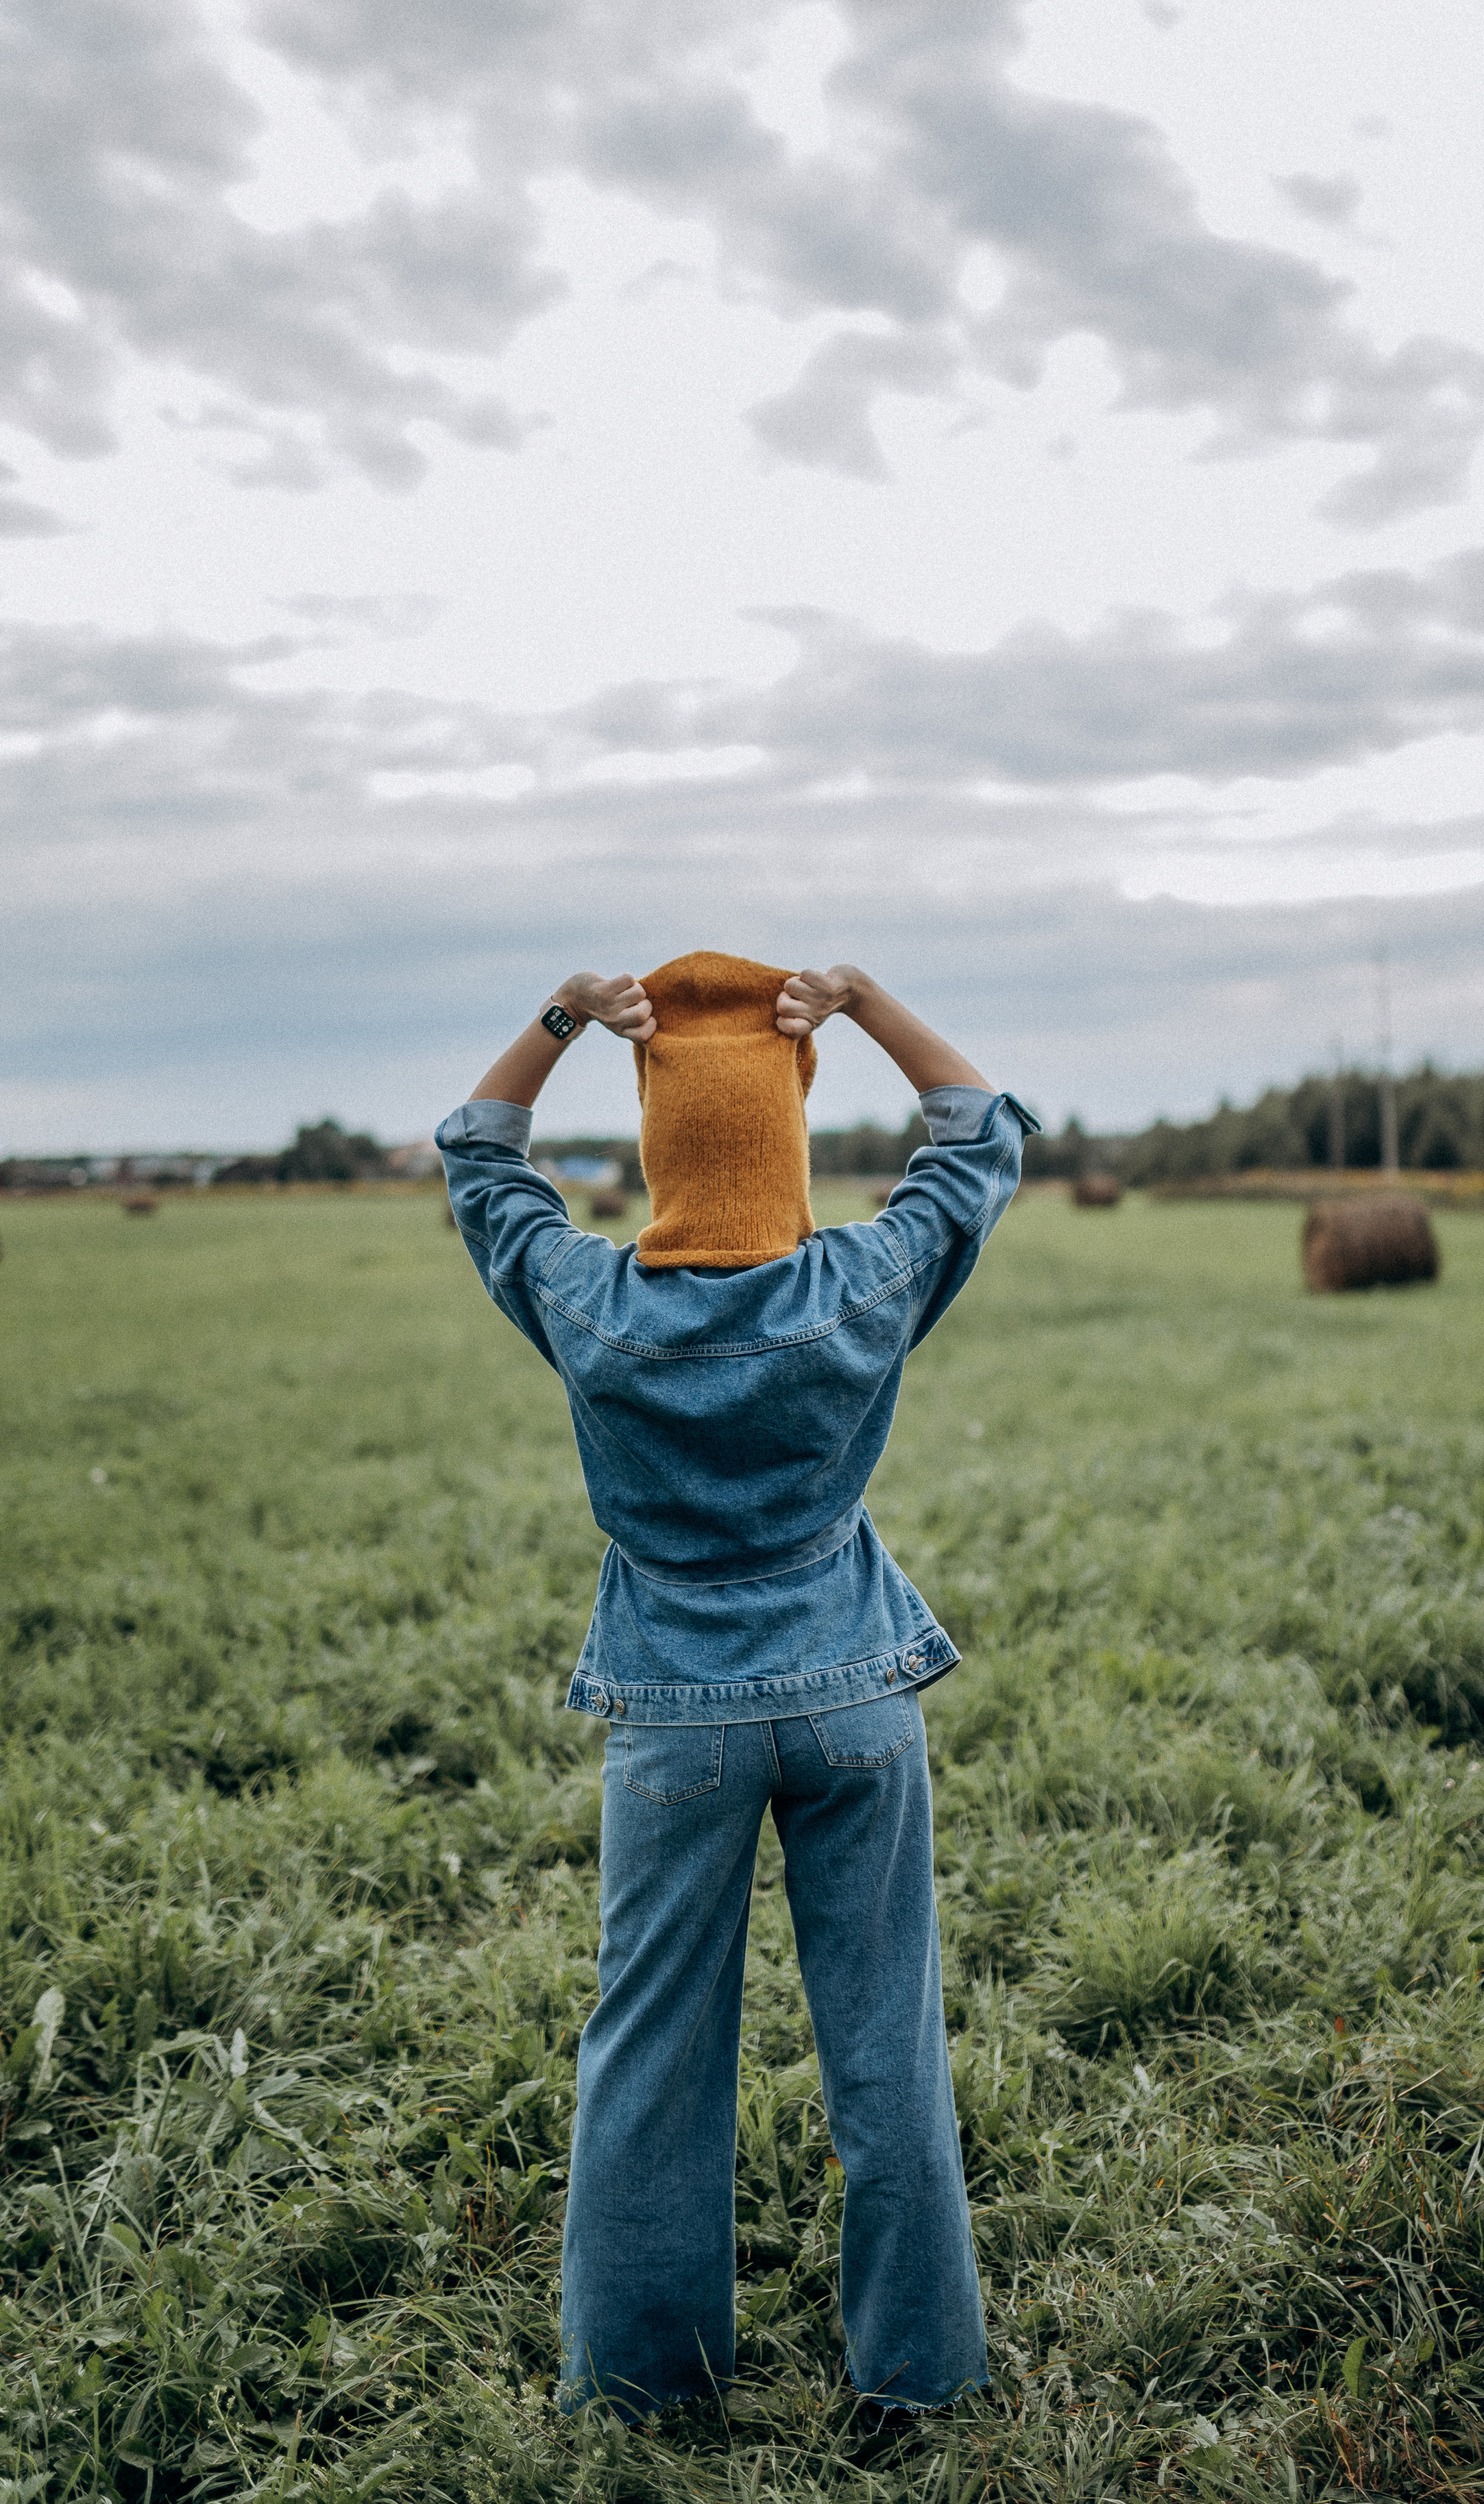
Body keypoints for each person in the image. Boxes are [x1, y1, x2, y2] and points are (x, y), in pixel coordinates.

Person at [435, 951, 1038, 2425]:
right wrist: (862, 1002)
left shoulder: (592, 1299)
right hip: (855, 1704)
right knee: (886, 2049)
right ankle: (919, 2384)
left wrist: (572, 1015)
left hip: (673, 1721)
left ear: (653, 1146)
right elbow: (981, 1127)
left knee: (645, 2053)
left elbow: (474, 1152)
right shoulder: (863, 1279)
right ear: (787, 1130)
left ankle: (641, 2394)